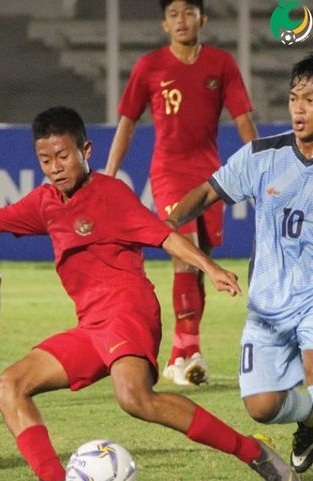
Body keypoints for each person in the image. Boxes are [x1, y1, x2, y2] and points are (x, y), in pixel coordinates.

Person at [0, 106, 299, 481]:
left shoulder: (111, 193)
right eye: (45, 160)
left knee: (134, 398)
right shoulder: (44, 202)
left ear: (86, 151)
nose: (55, 167)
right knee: (8, 386)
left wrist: (209, 268)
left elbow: (164, 234)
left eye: (63, 156)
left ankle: (252, 451)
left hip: (129, 310)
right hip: (92, 325)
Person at [167, 53, 313, 481]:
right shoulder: (261, 156)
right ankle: (309, 421)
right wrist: (168, 221)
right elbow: (206, 192)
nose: (298, 108)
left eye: (311, 99)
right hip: (268, 303)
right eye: (294, 98)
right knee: (261, 407)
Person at [105, 0, 258, 386]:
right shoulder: (150, 66)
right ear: (163, 23)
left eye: (188, 13)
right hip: (169, 172)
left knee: (202, 261)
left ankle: (183, 353)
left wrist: (261, 165)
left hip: (210, 172)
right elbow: (127, 122)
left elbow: (244, 120)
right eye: (173, 14)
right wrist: (108, 172)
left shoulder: (221, 64)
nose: (182, 21)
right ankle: (186, 349)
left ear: (202, 19)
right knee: (185, 257)